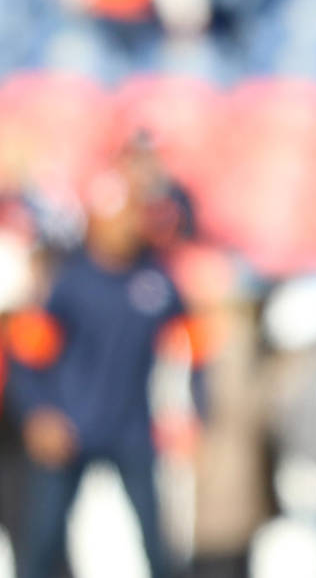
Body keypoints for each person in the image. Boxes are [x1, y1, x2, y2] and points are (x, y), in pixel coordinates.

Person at [5, 169, 190, 578]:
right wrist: (39, 413)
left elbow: (196, 346)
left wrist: (197, 410)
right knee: (43, 539)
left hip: (132, 429)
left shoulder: (156, 279)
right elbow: (26, 356)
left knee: (156, 544)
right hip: (70, 426)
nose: (128, 225)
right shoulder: (68, 284)